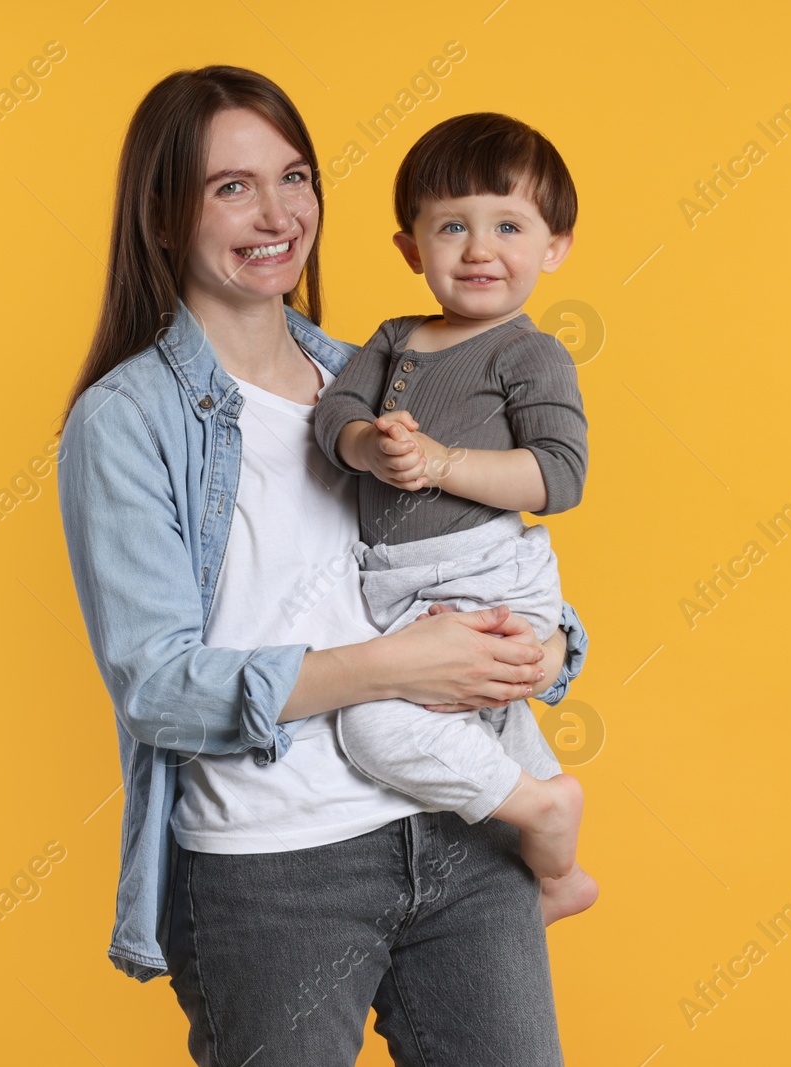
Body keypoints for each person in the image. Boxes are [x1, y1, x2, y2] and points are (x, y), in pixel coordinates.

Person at [55, 65, 589, 1066]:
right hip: (273, 869)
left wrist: (549, 646)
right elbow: (160, 689)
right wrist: (396, 668)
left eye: (293, 176)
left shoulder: (390, 376)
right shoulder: (126, 422)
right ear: (163, 215)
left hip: (463, 825)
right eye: (230, 186)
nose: (276, 212)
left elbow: (480, 556)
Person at [311, 112, 598, 926]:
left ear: (554, 246)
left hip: (488, 572)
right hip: (400, 586)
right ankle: (555, 870)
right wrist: (370, 445)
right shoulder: (395, 339)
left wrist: (440, 463)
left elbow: (559, 473)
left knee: (374, 726)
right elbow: (334, 414)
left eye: (508, 225)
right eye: (452, 227)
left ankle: (543, 817)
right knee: (487, 717)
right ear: (411, 249)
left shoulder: (527, 352)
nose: (478, 249)